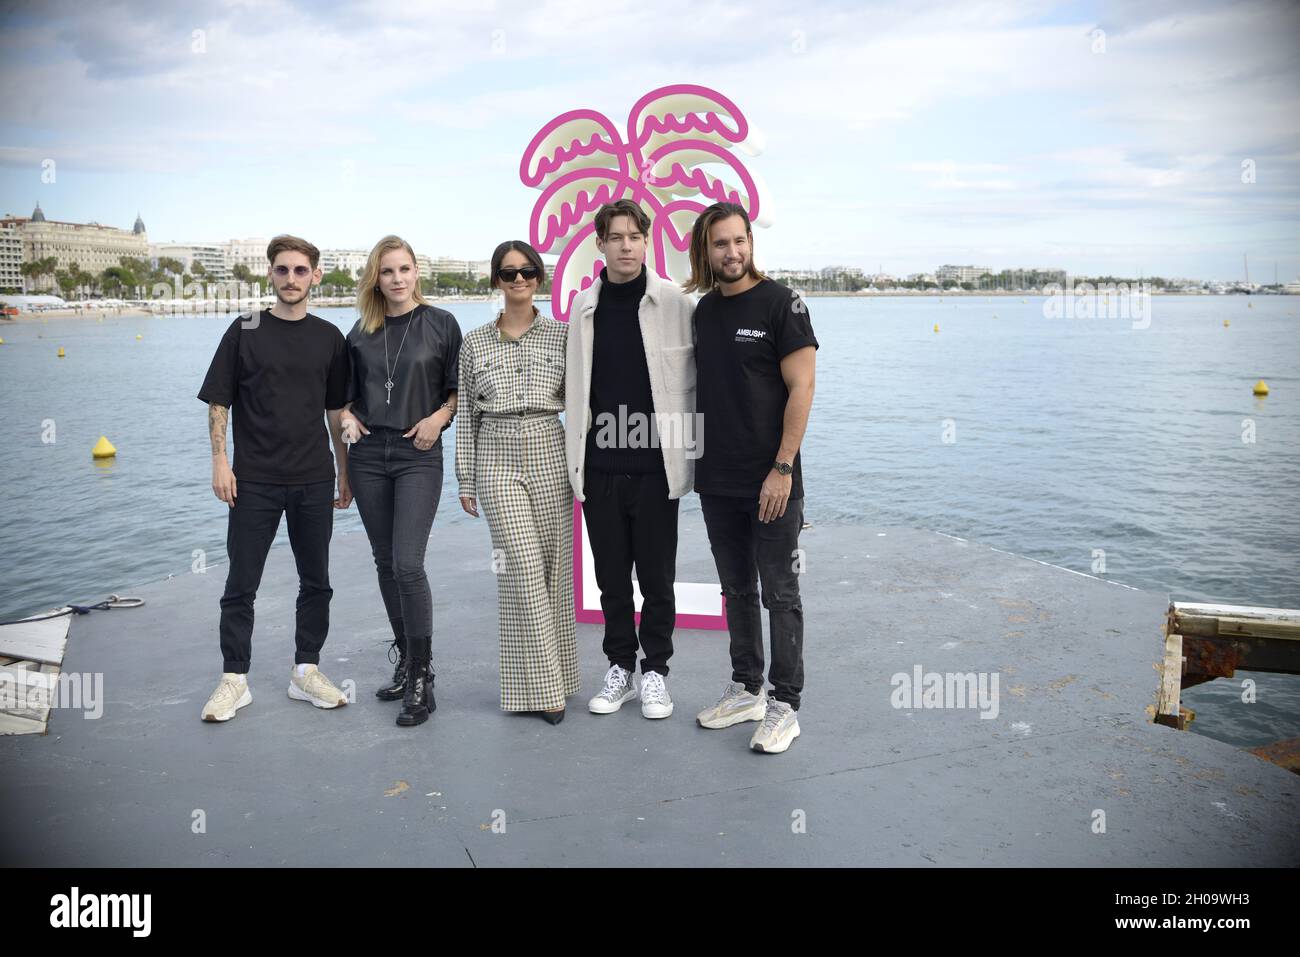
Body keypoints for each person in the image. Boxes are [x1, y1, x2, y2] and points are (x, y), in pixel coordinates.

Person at [198, 234, 352, 722]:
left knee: (317, 581)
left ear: (315, 276)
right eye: (282, 270)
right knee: (241, 582)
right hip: (254, 480)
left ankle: (306, 671)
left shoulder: (329, 337)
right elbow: (220, 400)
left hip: (312, 477)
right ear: (270, 273)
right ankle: (234, 679)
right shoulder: (245, 329)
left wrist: (343, 472)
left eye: (300, 271)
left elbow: (335, 413)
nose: (291, 279)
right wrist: (220, 461)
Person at [685, 202, 817, 754]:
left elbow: (802, 388)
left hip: (772, 481)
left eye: (740, 241)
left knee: (780, 594)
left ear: (750, 244)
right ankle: (747, 689)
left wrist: (782, 469)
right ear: (706, 250)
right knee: (736, 588)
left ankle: (785, 705)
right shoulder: (704, 312)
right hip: (717, 479)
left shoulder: (783, 303)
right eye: (721, 243)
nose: (733, 252)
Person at [564, 199, 697, 719]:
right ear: (600, 244)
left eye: (634, 236)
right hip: (599, 466)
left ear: (647, 241)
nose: (625, 245)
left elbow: (702, 382)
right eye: (615, 237)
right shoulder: (583, 308)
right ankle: (620, 666)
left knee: (657, 578)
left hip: (656, 467)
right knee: (612, 579)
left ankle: (656, 672)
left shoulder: (676, 304)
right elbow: (574, 386)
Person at [338, 235, 461, 728]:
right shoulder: (359, 332)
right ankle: (407, 662)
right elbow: (342, 397)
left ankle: (423, 675)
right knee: (385, 562)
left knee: (408, 563)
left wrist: (439, 418)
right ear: (376, 277)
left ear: (417, 272)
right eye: (387, 271)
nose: (397, 279)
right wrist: (346, 418)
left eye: (405, 269)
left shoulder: (440, 324)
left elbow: (458, 391)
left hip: (417, 454)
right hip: (368, 455)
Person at [456, 240, 577, 723]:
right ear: (496, 281)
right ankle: (549, 691)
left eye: (527, 271)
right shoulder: (473, 343)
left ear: (539, 278)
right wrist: (466, 478)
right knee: (522, 570)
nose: (519, 280)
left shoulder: (564, 337)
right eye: (509, 274)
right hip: (497, 454)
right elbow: (465, 414)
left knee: (554, 573)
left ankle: (561, 677)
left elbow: (584, 403)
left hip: (550, 444)